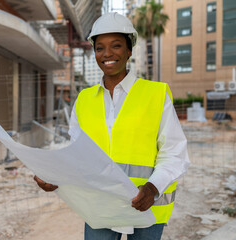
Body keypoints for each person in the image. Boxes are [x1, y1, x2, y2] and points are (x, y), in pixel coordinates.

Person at [34, 12, 190, 240]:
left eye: (116, 45)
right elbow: (78, 155)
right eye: (100, 48)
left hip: (147, 207)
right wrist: (57, 177)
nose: (107, 54)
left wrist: (153, 188)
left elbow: (175, 153)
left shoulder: (155, 95)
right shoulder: (84, 100)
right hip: (100, 206)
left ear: (129, 50)